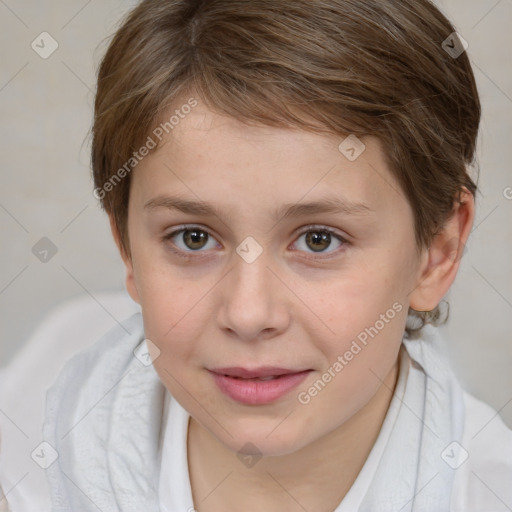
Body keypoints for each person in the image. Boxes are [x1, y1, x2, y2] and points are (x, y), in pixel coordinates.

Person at [31, 0, 512, 510]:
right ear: (127, 247)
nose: (248, 313)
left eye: (319, 240)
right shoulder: (26, 464)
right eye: (193, 238)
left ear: (438, 251)